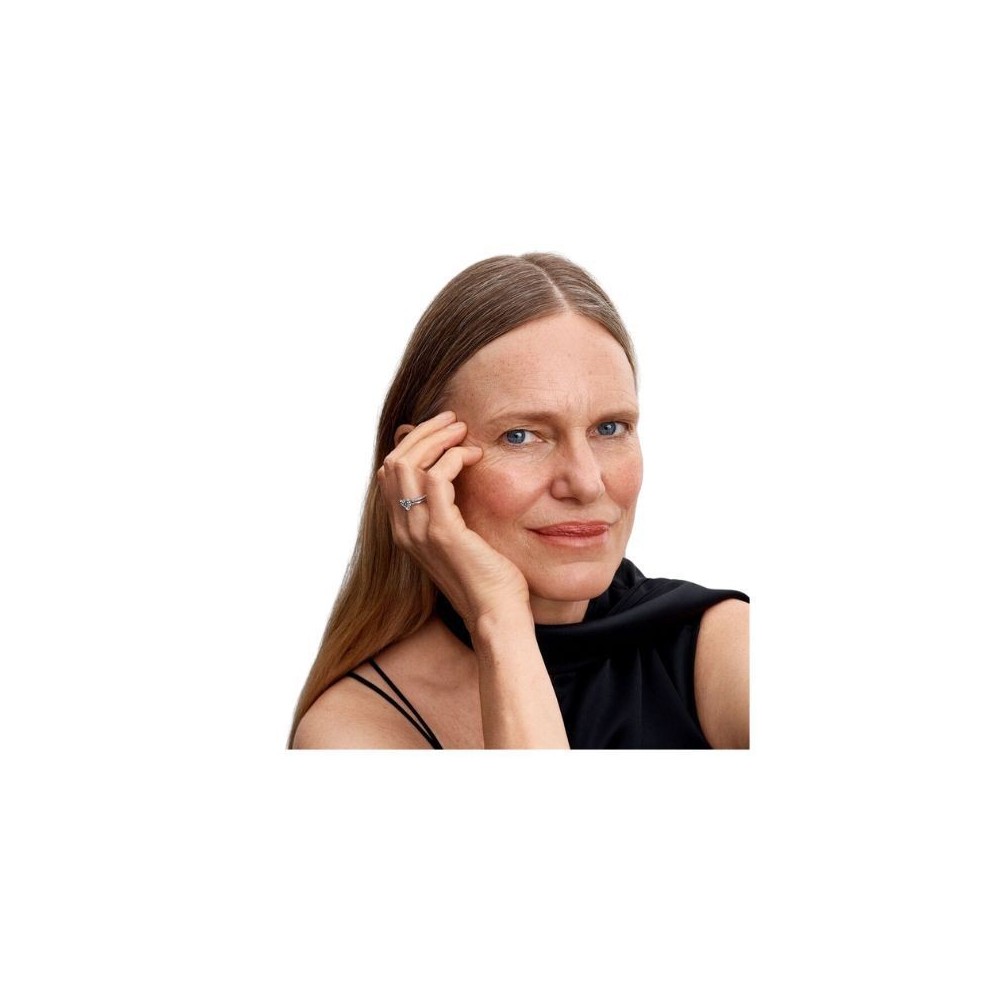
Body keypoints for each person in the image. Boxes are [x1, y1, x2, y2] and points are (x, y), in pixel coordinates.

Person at [289, 253, 749, 749]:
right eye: (521, 436)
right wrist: (499, 619)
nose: (586, 483)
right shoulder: (355, 728)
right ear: (419, 468)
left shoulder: (723, 644)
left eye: (610, 428)